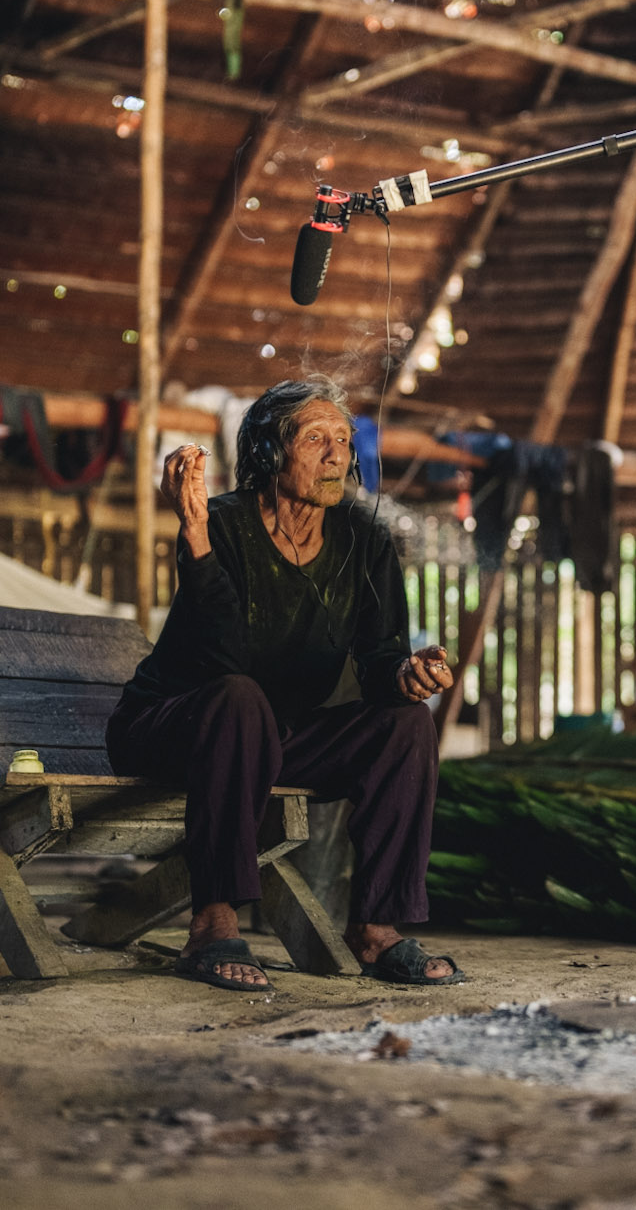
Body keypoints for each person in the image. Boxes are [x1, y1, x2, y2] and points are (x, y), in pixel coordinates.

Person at [105, 378, 465, 991]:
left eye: (343, 441)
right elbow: (224, 657)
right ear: (270, 452)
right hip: (173, 727)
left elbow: (379, 661)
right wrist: (195, 539)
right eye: (316, 439)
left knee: (406, 725)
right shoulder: (220, 524)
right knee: (239, 696)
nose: (335, 455)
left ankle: (375, 929)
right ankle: (212, 926)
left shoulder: (364, 540)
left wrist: (407, 675)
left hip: (272, 737)